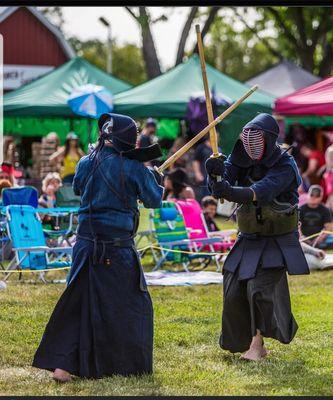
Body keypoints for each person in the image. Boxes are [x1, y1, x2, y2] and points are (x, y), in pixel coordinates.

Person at [32, 113, 164, 382]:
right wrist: (154, 178)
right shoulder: (135, 168)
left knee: (78, 304)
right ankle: (122, 365)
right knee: (131, 306)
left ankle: (64, 367)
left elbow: (80, 187)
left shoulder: (85, 162)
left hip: (84, 245)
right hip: (116, 250)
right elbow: (153, 200)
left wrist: (144, 176)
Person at [205, 113, 309, 361]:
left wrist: (228, 191)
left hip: (276, 239)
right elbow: (223, 182)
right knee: (233, 290)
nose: (251, 145)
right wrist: (216, 176)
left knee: (259, 290)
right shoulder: (240, 158)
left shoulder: (285, 165)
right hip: (249, 237)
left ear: (270, 139)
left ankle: (257, 346)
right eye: (248, 139)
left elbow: (259, 191)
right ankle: (248, 343)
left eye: (257, 140)